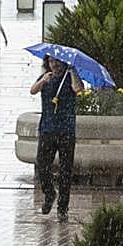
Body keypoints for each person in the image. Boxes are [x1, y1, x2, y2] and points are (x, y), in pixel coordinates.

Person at [30, 57, 83, 221]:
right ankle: (50, 193)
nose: (54, 64)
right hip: (47, 128)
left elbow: (78, 89)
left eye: (57, 61)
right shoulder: (46, 76)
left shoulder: (70, 76)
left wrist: (73, 71)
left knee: (65, 170)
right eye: (51, 61)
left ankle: (63, 208)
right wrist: (43, 81)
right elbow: (32, 90)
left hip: (66, 130)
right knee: (42, 164)